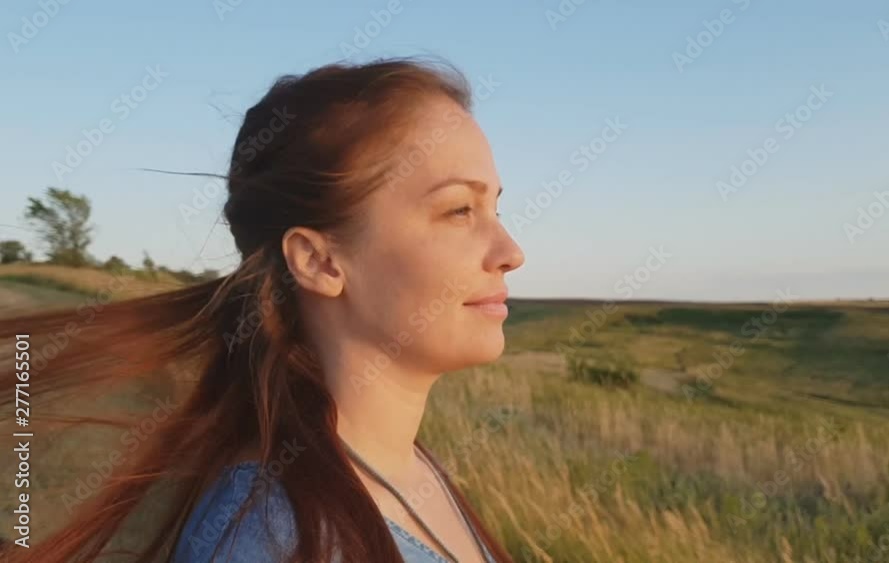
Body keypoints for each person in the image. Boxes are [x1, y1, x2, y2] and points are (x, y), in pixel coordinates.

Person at [0, 57, 524, 562]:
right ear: (318, 261)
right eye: (459, 210)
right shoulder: (275, 540)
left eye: (494, 208)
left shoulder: (405, 468)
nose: (511, 252)